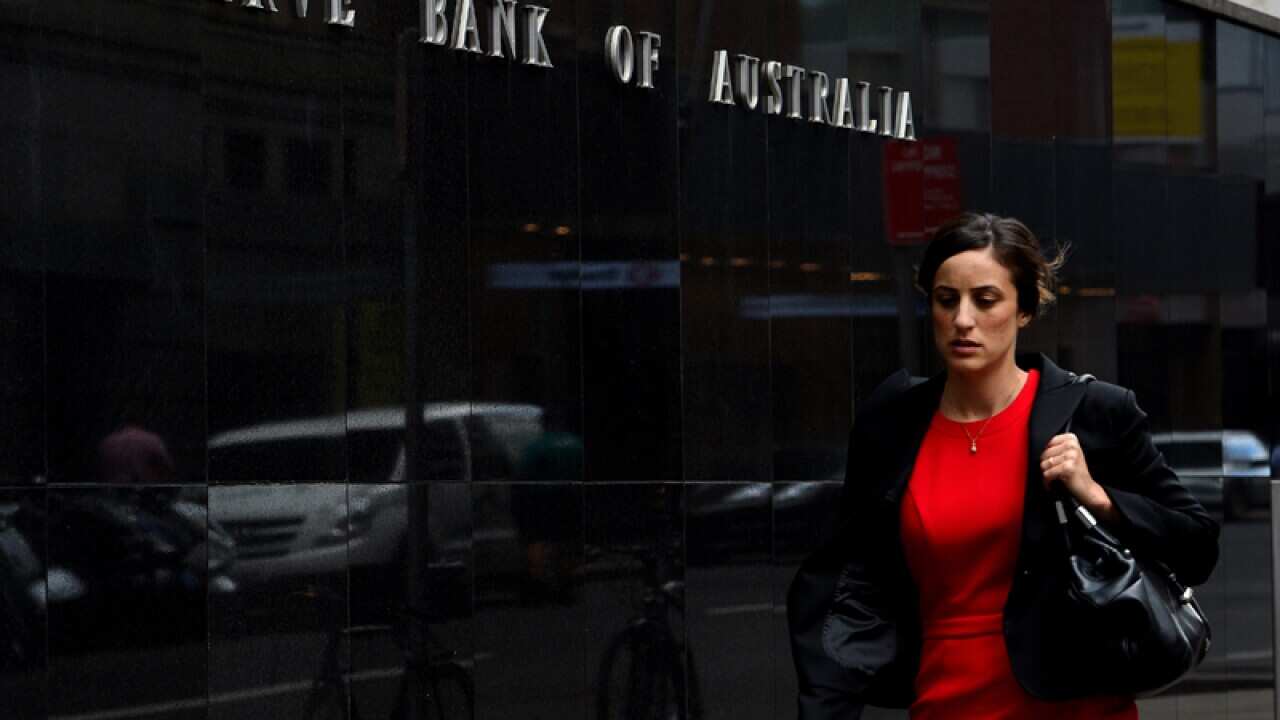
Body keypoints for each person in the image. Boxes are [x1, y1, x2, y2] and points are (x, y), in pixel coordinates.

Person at [787, 213, 1219, 719]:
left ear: (1024, 311)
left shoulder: (1093, 411)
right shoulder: (892, 424)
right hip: (946, 700)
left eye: (985, 300)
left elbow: (1197, 548)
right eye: (947, 300)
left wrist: (1097, 496)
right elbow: (847, 582)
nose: (963, 320)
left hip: (1077, 706)